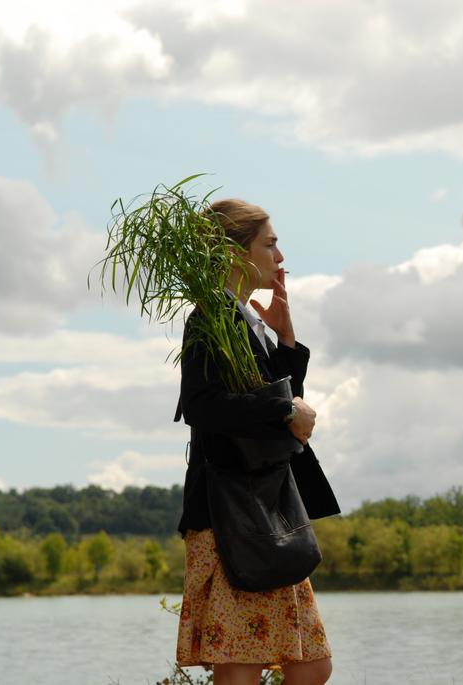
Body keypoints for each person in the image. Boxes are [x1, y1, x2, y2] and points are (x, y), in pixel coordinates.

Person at [173, 199, 340, 685]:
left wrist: (286, 341)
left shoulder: (246, 319)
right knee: (242, 667)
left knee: (311, 667)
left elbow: (276, 409)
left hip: (266, 512)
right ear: (234, 252)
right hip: (233, 515)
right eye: (269, 244)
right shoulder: (211, 317)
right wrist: (285, 410)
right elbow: (202, 405)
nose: (280, 257)